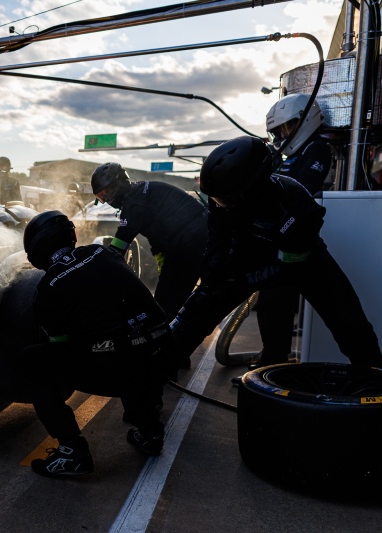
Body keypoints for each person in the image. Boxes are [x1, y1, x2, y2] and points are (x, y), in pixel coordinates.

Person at [167, 135, 382, 371]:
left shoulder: (298, 207)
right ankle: (163, 367)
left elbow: (290, 266)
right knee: (202, 309)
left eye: (224, 200)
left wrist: (243, 280)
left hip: (305, 261)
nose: (220, 205)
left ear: (251, 191)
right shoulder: (223, 198)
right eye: (216, 200)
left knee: (351, 325)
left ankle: (374, 378)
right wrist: (210, 280)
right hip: (252, 249)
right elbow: (218, 241)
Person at [21, 210, 172, 478]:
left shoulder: (48, 286)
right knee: (127, 341)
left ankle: (72, 452)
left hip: (120, 367)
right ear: (71, 235)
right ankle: (150, 431)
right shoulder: (103, 253)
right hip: (164, 355)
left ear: (36, 251)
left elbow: (60, 344)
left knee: (34, 361)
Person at [250, 95, 334, 367]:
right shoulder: (292, 155)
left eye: (289, 126)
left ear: (305, 120)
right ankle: (273, 360)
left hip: (304, 242)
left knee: (276, 303)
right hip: (285, 239)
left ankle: (273, 364)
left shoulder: (317, 149)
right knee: (273, 305)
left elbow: (300, 188)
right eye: (280, 130)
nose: (284, 134)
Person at [90, 162, 208, 319]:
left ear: (118, 184)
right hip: (198, 238)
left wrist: (92, 270)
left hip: (188, 244)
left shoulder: (134, 205)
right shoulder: (141, 191)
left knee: (163, 310)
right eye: (101, 196)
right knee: (184, 297)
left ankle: (168, 339)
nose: (106, 199)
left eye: (107, 193)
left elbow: (117, 250)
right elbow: (158, 239)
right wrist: (162, 266)